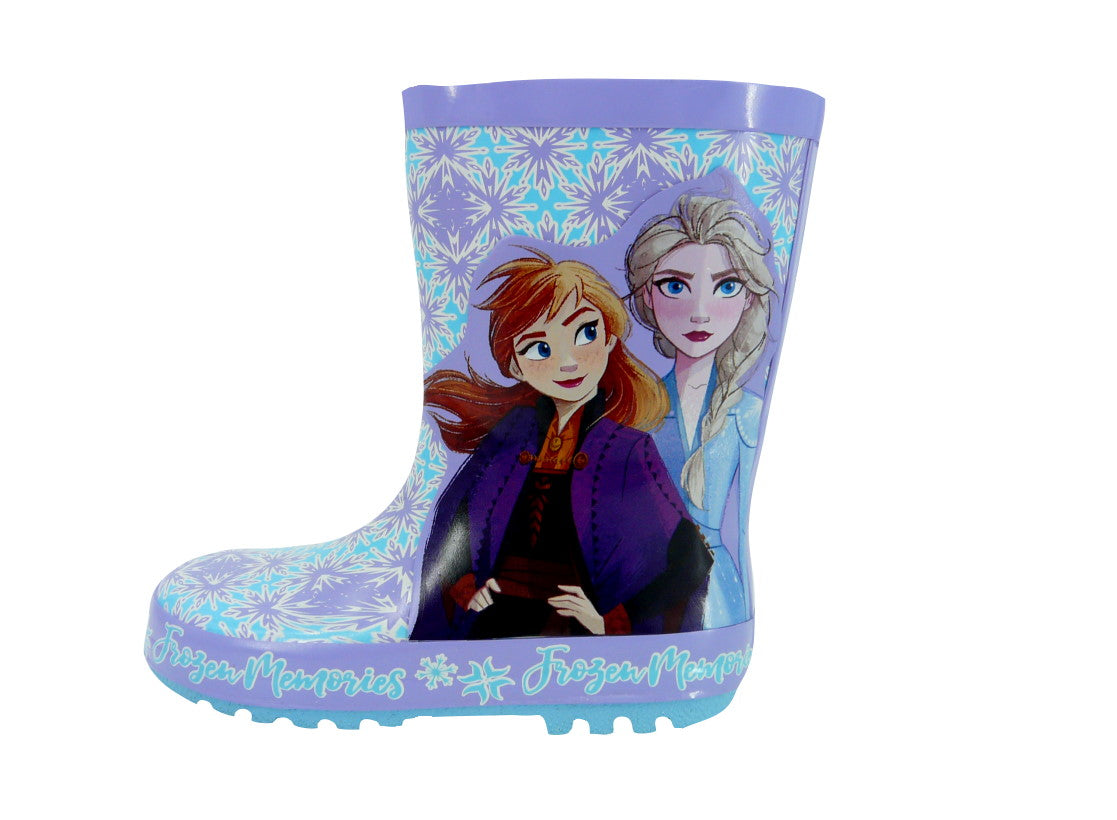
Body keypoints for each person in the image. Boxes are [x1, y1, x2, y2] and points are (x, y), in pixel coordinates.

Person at [410, 249, 711, 641]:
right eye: (540, 348)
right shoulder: (508, 438)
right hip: (496, 620)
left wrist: (612, 619)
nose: (567, 362)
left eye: (585, 333)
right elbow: (457, 524)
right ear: (515, 364)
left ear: (609, 338)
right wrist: (466, 588)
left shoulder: (628, 450)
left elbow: (688, 560)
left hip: (575, 630)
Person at [625, 194, 776, 628]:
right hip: (644, 585)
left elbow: (744, 526)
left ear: (748, 298)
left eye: (726, 286)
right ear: (647, 295)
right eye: (675, 286)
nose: (700, 312)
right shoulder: (634, 410)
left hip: (715, 593)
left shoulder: (747, 414)